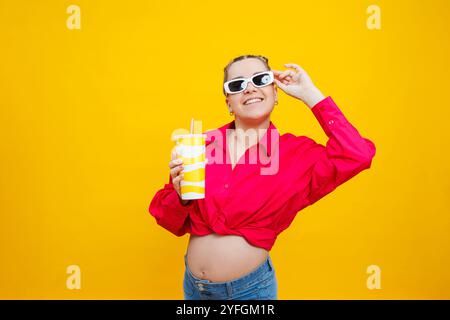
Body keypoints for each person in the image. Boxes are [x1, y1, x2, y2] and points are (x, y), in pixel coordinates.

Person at [149, 54, 376, 300]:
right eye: (237, 85)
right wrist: (180, 195)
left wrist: (311, 95)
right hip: (194, 289)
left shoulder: (298, 155)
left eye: (260, 79)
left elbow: (358, 154)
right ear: (228, 103)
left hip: (249, 293)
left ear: (276, 93)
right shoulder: (201, 145)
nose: (249, 88)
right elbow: (166, 219)